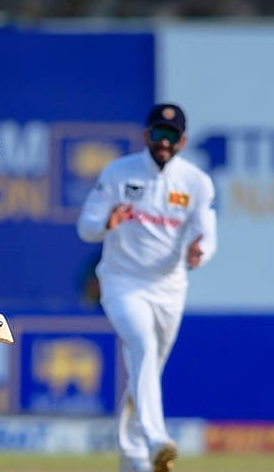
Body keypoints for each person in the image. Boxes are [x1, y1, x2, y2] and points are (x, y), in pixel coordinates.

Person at [76, 103, 217, 472]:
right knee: (142, 344)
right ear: (145, 136)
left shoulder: (197, 183)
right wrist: (108, 220)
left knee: (147, 369)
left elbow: (207, 232)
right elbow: (86, 226)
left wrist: (201, 249)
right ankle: (156, 439)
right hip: (123, 282)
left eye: (171, 137)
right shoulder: (119, 173)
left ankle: (133, 457)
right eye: (157, 134)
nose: (163, 143)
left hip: (170, 288)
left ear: (183, 141)